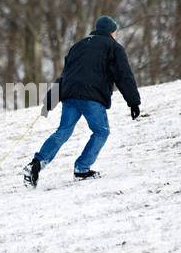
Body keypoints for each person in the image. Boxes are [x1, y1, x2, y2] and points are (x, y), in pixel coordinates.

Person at [24, 16, 141, 188]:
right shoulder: (113, 47)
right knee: (101, 131)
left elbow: (64, 76)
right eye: (116, 32)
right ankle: (82, 169)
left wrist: (50, 100)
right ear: (111, 31)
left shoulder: (78, 46)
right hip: (91, 97)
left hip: (70, 96)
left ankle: (36, 164)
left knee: (63, 132)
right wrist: (133, 102)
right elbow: (123, 75)